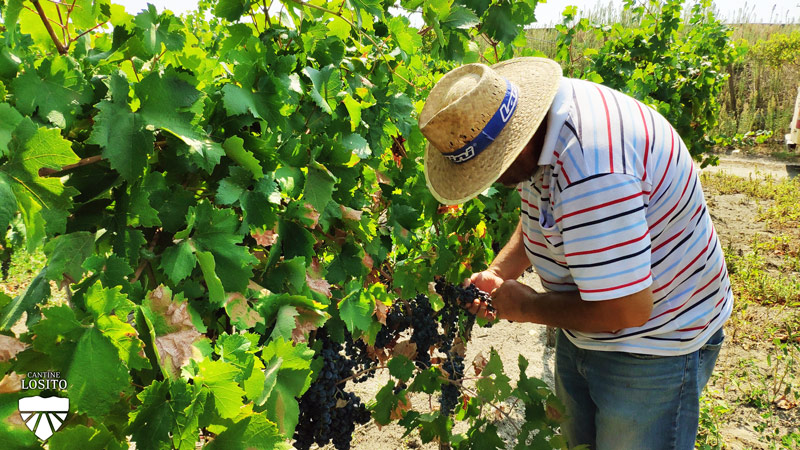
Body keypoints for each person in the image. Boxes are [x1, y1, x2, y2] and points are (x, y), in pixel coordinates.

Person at [418, 57, 732, 450]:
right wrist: (502, 270)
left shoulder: (593, 170)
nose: (491, 181)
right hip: (590, 324)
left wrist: (527, 307)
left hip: (655, 345)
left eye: (492, 168)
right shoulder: (536, 131)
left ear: (517, 143)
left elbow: (628, 311)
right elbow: (544, 206)